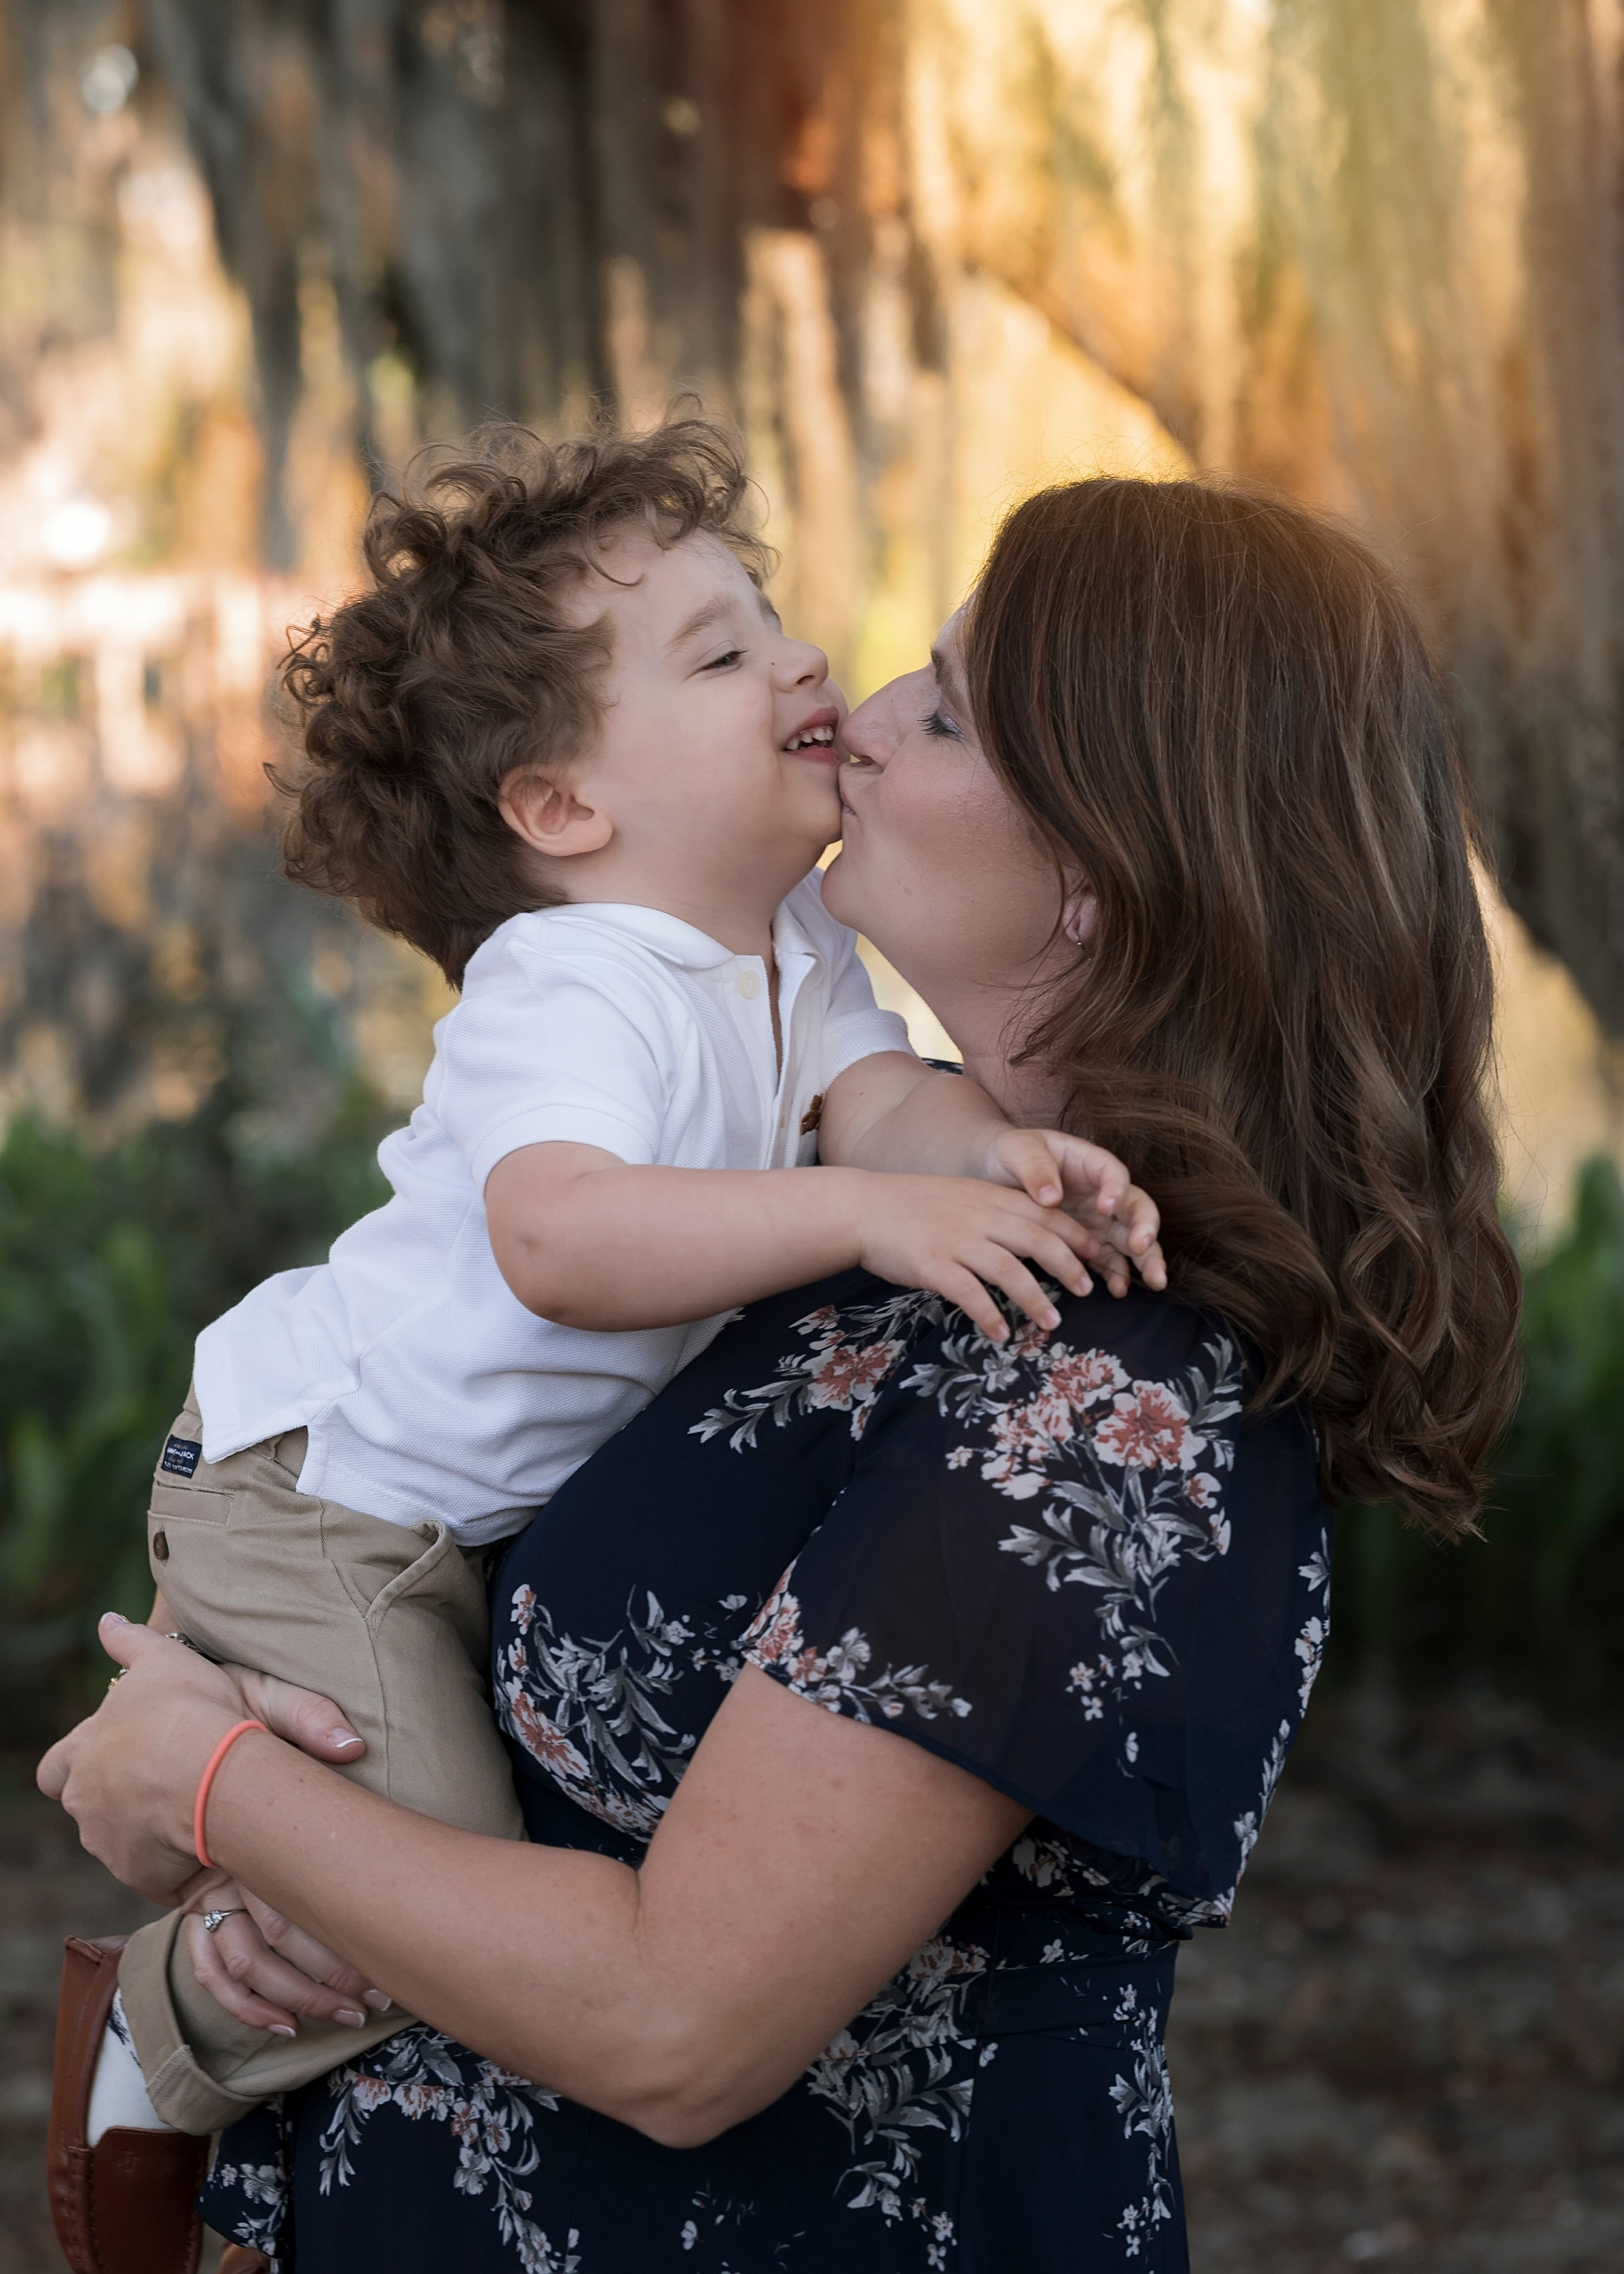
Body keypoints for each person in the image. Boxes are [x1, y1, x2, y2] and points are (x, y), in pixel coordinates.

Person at [42, 472, 1521, 2274]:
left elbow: (677, 2026)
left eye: (954, 709)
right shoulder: (865, 1213)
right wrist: (241, 1893)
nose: (861, 708)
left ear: (1108, 868)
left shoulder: (1098, 1395)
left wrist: (196, 1785)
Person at [66, 419, 1163, 2172]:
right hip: (328, 1495)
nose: (806, 663)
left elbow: (883, 1099)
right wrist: (868, 1212)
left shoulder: (794, 945)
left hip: (461, 1506)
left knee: (412, 1886)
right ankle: (163, 2028)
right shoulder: (574, 983)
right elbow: (560, 1241)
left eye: (774, 617)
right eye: (720, 656)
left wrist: (999, 1166)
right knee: (417, 1890)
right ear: (565, 807)